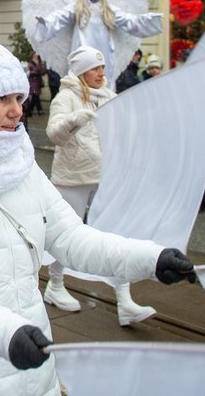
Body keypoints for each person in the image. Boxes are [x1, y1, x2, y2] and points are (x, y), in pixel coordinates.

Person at [0, 29, 197, 395]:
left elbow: (71, 238)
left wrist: (151, 259)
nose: (17, 110)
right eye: (1, 99)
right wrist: (2, 331)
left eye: (19, 97)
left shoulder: (20, 162)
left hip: (30, 357)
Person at [43, 45, 158, 326]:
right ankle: (55, 285)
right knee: (65, 235)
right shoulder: (66, 96)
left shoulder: (108, 96)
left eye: (102, 67)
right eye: (94, 68)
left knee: (113, 235)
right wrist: (74, 120)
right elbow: (53, 134)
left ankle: (125, 300)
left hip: (105, 175)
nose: (100, 73)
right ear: (81, 72)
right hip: (73, 177)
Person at [25, 0, 163, 84]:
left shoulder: (107, 8)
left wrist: (147, 20)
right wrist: (45, 23)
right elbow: (59, 18)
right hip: (82, 53)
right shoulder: (76, 6)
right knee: (81, 87)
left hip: (103, 54)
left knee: (103, 84)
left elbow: (128, 21)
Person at [25, 51, 46, 116]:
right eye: (34, 55)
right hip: (32, 81)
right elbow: (29, 72)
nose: (36, 56)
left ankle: (30, 110)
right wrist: (37, 72)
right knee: (35, 94)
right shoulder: (30, 63)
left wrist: (39, 70)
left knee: (35, 96)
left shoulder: (40, 62)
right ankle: (39, 110)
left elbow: (43, 71)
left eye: (36, 55)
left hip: (38, 81)